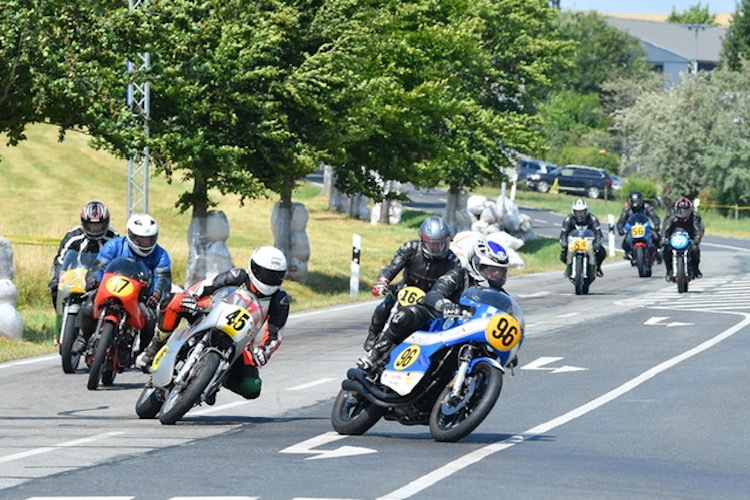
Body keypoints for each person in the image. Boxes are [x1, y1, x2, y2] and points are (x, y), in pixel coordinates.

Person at [136, 246, 290, 402]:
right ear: (253, 267)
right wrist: (191, 296)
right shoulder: (238, 275)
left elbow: (275, 334)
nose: (268, 279)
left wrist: (264, 352)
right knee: (174, 301)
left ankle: (213, 379)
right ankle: (155, 347)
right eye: (265, 273)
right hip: (210, 314)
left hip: (241, 339)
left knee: (252, 387)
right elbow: (208, 285)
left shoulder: (280, 299)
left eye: (275, 276)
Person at [358, 236, 514, 373]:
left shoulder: (500, 296)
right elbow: (434, 294)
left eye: (500, 272)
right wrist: (444, 304)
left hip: (469, 335)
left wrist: (511, 348)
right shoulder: (458, 274)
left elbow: (508, 322)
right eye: (492, 270)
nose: (496, 276)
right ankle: (374, 356)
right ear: (476, 264)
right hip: (441, 323)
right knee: (405, 315)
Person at [72, 213, 172, 356]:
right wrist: (93, 280)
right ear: (131, 235)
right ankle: (83, 337)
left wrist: (157, 293)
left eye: (149, 239)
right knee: (88, 307)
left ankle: (144, 353)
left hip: (140, 295)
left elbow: (163, 278)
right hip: (111, 287)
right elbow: (98, 267)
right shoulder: (113, 245)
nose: (145, 243)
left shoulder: (161, 254)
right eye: (141, 239)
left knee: (150, 319)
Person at [365, 215, 462, 351]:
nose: (436, 248)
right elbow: (392, 267)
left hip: (431, 299)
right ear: (422, 240)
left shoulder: (453, 261)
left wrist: (450, 304)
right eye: (432, 244)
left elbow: (455, 287)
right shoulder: (410, 248)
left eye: (440, 244)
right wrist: (382, 282)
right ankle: (373, 335)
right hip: (406, 288)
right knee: (384, 307)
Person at [47, 201, 118, 309]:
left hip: (101, 278)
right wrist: (57, 278)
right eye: (91, 225)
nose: (95, 229)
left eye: (98, 225)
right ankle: (60, 320)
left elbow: (119, 261)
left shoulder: (113, 237)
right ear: (83, 222)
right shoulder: (73, 235)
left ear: (106, 223)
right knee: (55, 289)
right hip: (75, 275)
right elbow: (60, 259)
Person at [559, 198, 606, 277]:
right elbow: (563, 233)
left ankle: (598, 268)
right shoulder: (568, 219)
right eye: (577, 212)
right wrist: (564, 242)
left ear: (586, 211)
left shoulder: (593, 219)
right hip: (573, 243)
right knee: (563, 253)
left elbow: (598, 233)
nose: (580, 214)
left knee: (601, 252)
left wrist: (597, 243)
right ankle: (568, 267)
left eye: (582, 212)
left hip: (589, 242)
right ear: (573, 211)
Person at [661, 197, 705, 280]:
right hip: (674, 238)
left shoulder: (694, 216)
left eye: (685, 210)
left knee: (695, 249)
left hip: (689, 238)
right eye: (681, 210)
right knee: (666, 250)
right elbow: (665, 228)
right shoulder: (671, 215)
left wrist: (697, 237)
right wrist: (663, 238)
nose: (683, 213)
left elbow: (699, 228)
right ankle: (669, 270)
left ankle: (695, 268)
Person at [615, 191, 662, 263]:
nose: (635, 203)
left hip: (645, 227)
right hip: (633, 228)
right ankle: (628, 253)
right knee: (625, 242)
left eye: (637, 201)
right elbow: (621, 220)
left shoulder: (646, 207)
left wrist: (656, 225)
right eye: (633, 201)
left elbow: (654, 216)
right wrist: (620, 228)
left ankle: (658, 251)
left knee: (655, 236)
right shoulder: (627, 209)